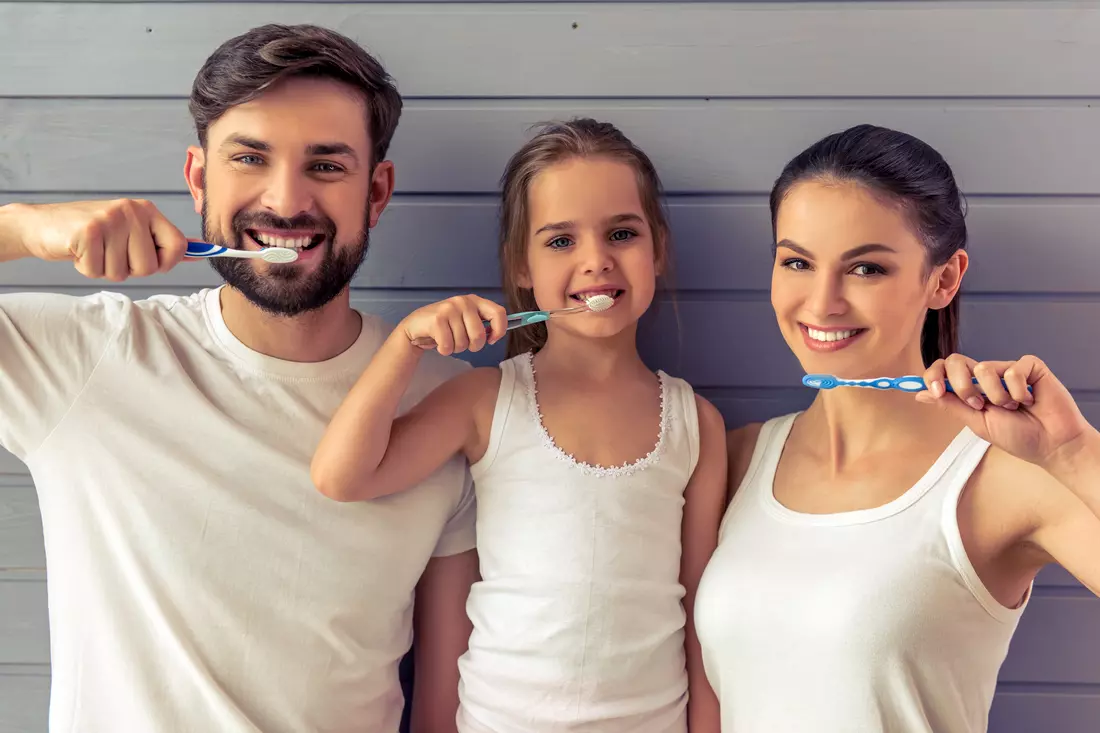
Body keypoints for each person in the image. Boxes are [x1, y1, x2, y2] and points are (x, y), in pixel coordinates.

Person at [0, 23, 477, 733]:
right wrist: (27, 229)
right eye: (250, 158)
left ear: (376, 192)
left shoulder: (448, 405)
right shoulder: (87, 359)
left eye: (326, 165)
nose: (285, 201)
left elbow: (445, 710)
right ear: (198, 179)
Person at [311, 118, 728, 732]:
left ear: (657, 248)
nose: (595, 261)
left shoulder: (697, 423)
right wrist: (405, 344)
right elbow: (341, 476)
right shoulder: (485, 400)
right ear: (521, 265)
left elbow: (700, 621)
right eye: (561, 241)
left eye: (621, 233)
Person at [693, 123, 1100, 732]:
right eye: (797, 262)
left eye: (865, 270)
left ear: (943, 279)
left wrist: (1073, 451)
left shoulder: (1003, 477)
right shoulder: (733, 460)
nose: (822, 302)